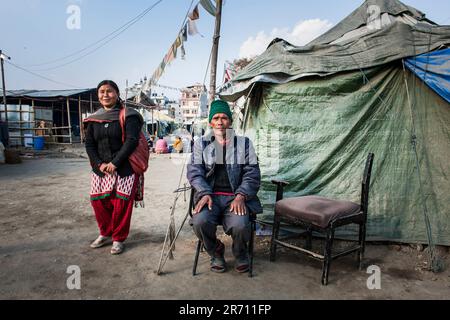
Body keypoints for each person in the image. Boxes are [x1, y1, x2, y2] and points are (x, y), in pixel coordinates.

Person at [187, 100, 262, 273]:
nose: (220, 122)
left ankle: (240, 252)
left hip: (234, 198)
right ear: (211, 122)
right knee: (199, 222)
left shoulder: (244, 144)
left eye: (224, 118)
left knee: (241, 225)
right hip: (210, 197)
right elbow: (195, 172)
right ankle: (215, 251)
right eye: (216, 118)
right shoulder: (201, 144)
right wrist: (204, 193)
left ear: (230, 121)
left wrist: (241, 195)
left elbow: (252, 173)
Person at [83, 80, 144, 255]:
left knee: (121, 205)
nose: (105, 95)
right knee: (99, 202)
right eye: (101, 92)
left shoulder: (129, 115)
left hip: (124, 168)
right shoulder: (94, 118)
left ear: (117, 94)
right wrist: (99, 164)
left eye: (109, 91)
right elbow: (89, 144)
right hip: (100, 170)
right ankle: (105, 232)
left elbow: (132, 141)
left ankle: (118, 238)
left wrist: (115, 163)